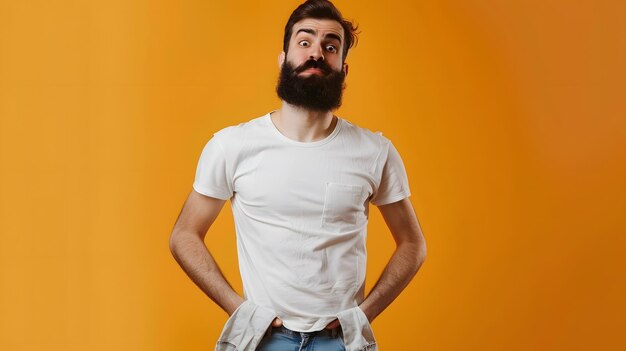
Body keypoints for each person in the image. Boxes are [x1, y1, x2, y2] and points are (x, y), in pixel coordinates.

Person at [169, 1, 427, 350]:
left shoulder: (374, 152)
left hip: (340, 342)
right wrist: (241, 310)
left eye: (330, 46)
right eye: (305, 42)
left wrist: (363, 314)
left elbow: (412, 245)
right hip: (260, 340)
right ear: (284, 58)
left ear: (343, 68)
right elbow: (184, 235)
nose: (316, 53)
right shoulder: (232, 146)